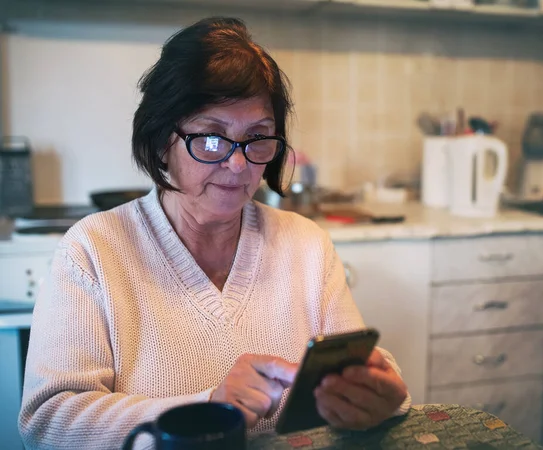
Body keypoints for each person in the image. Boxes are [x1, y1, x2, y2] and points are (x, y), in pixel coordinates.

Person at [18, 17, 410, 449]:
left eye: (257, 137)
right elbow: (48, 421)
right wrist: (207, 409)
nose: (238, 165)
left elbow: (356, 367)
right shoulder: (91, 251)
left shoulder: (306, 244)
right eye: (211, 137)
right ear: (161, 139)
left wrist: (380, 394)